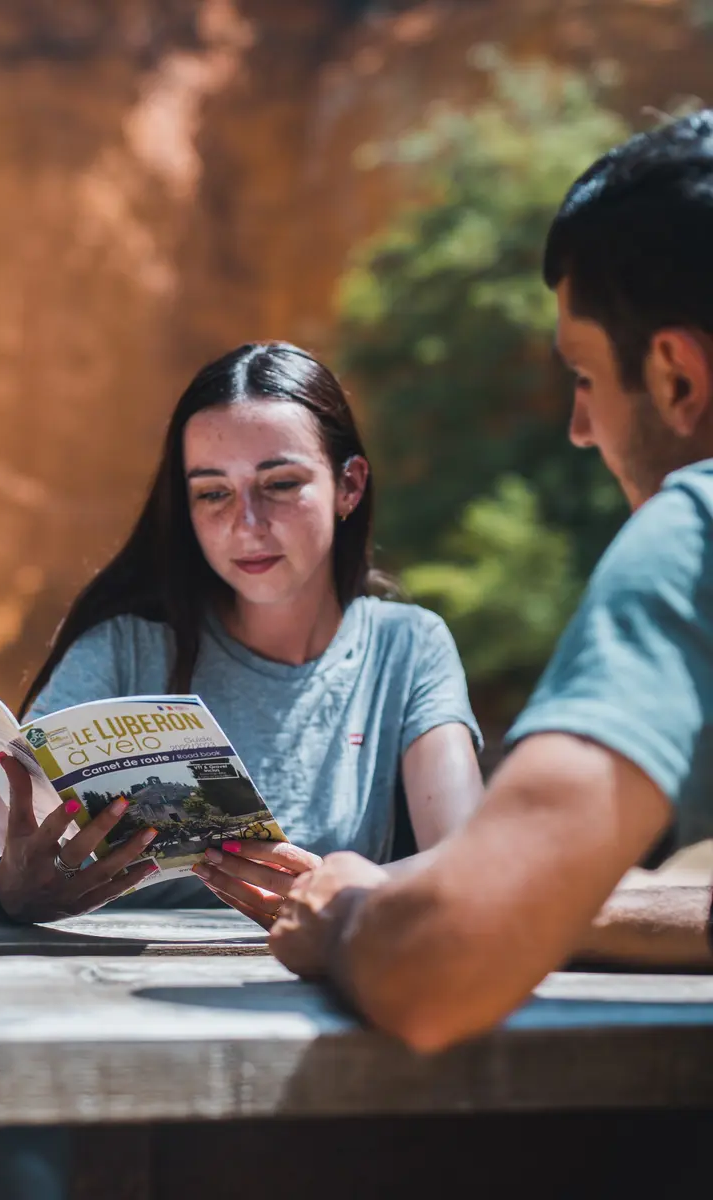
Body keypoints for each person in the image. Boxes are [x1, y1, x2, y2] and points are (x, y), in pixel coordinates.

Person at [237, 112, 713, 1050]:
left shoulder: (693, 533)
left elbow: (439, 969)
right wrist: (542, 903)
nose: (578, 427)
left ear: (677, 377)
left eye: (584, 375)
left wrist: (348, 914)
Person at [0, 342, 486, 923]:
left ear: (349, 486)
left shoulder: (409, 647)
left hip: (317, 976)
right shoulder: (124, 649)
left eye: (280, 484)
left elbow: (471, 859)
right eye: (213, 493)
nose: (246, 526)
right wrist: (3, 886)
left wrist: (342, 891)